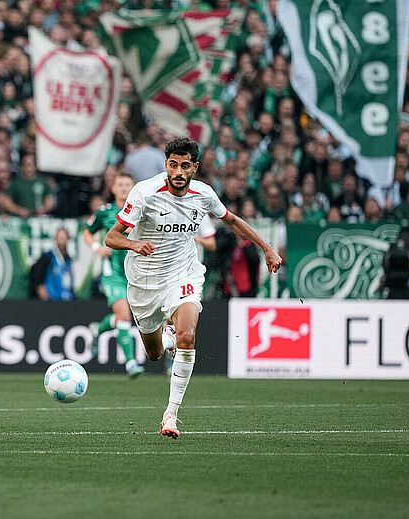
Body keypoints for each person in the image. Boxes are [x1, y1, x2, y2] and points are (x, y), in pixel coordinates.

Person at [105, 138, 281, 438]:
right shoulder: (144, 193)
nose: (178, 171)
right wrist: (134, 243)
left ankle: (170, 414)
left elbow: (232, 221)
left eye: (184, 165)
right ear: (166, 165)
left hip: (183, 273)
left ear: (194, 167)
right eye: (173, 164)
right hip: (144, 281)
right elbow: (112, 237)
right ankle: (167, 339)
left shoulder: (203, 194)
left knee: (188, 336)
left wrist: (266, 247)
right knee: (154, 353)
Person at [83, 171, 144, 378]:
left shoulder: (141, 212)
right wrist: (96, 249)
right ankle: (130, 362)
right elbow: (86, 232)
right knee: (124, 315)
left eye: (128, 184)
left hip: (136, 273)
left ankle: (97, 330)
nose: (125, 188)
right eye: (121, 184)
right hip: (113, 273)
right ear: (113, 188)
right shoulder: (105, 212)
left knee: (122, 317)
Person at [29, 227, 74, 301]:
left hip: (66, 299)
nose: (61, 240)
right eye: (59, 237)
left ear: (67, 239)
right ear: (56, 239)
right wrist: (40, 287)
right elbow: (35, 272)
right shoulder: (49, 256)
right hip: (51, 298)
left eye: (63, 237)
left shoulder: (69, 259)